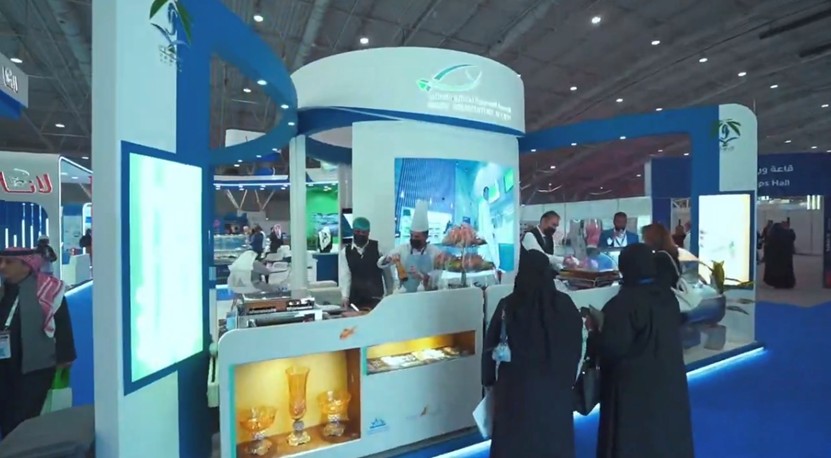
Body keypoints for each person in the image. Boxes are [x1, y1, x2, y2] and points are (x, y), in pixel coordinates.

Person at [591, 243, 694, 458]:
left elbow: (613, 347)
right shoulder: (668, 298)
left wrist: (595, 335)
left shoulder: (622, 304)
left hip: (633, 390)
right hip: (668, 381)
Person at [482, 250, 583, 458]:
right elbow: (576, 345)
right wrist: (568, 379)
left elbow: (490, 348)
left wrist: (489, 382)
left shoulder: (508, 305)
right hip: (556, 394)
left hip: (515, 394)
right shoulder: (565, 304)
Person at [0, 248, 76, 437]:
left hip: (36, 366)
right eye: (1, 262)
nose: (2, 267)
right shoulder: (3, 289)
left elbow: (62, 323)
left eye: (9, 262)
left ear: (26, 265)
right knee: (6, 414)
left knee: (27, 416)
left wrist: (65, 356)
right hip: (5, 366)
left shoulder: (49, 289)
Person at [378, 200, 442, 293]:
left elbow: (438, 274)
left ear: (426, 236)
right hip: (406, 295)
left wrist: (425, 277)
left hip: (427, 295)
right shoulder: (402, 249)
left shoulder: (435, 252)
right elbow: (381, 263)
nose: (413, 239)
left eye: (417, 237)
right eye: (411, 235)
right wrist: (388, 259)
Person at [339, 217, 392, 310]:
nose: (360, 234)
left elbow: (387, 273)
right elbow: (345, 275)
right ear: (353, 231)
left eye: (364, 232)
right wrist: (345, 296)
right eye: (358, 232)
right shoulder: (345, 252)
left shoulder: (378, 248)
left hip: (376, 298)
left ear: (368, 232)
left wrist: (390, 292)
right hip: (355, 299)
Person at [642, 223, 681, 289]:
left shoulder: (660, 258)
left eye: (644, 238)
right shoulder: (670, 254)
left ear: (651, 239)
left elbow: (662, 283)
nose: (643, 241)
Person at [763, 222, 796, 289]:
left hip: (776, 258)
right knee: (787, 269)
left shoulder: (773, 235)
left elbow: (768, 246)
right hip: (786, 256)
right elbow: (792, 238)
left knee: (776, 270)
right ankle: (788, 283)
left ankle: (777, 283)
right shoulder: (787, 234)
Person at [478, 186, 500, 270]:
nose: (487, 194)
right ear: (483, 193)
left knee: (493, 249)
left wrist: (492, 231)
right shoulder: (482, 205)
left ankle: (495, 266)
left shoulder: (488, 204)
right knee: (489, 249)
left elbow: (489, 220)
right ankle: (494, 266)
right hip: (486, 232)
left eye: (488, 192)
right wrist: (482, 233)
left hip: (489, 231)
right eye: (486, 192)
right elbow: (482, 219)